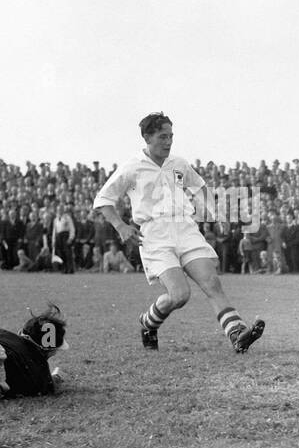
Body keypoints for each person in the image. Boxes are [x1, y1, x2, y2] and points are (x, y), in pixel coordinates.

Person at [92, 113, 265, 353]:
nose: (169, 142)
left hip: (185, 228)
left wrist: (216, 213)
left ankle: (237, 333)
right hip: (155, 235)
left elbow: (200, 186)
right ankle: (148, 323)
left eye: (171, 136)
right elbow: (103, 200)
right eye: (163, 137)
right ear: (147, 137)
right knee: (179, 295)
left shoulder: (179, 163)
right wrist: (121, 226)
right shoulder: (132, 168)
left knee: (212, 282)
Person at [0, 304, 68, 398]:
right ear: (46, 350)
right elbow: (49, 385)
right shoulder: (37, 374)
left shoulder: (6, 335)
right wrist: (56, 378)